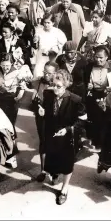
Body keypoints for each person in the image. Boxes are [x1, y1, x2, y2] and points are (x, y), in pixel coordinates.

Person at [37, 70, 87, 205]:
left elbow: (82, 121)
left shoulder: (75, 100)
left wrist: (68, 130)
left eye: (58, 86)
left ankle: (64, 189)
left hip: (67, 136)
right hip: (52, 133)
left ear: (66, 86)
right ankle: (54, 174)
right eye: (53, 84)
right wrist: (42, 112)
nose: (55, 89)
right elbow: (47, 112)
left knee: (67, 163)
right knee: (52, 159)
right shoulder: (48, 94)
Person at [84, 45, 111, 152]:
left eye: (101, 58)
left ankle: (104, 143)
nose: (98, 60)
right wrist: (88, 86)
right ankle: (95, 140)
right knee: (94, 119)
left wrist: (109, 90)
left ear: (107, 58)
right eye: (96, 57)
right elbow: (85, 80)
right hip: (93, 96)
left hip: (107, 97)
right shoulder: (89, 66)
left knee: (105, 120)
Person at [33, 13, 67, 79]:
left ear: (53, 23)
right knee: (38, 72)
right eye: (45, 22)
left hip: (53, 57)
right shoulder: (39, 31)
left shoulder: (58, 32)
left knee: (52, 73)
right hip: (42, 56)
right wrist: (35, 40)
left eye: (48, 23)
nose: (46, 24)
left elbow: (63, 43)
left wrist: (55, 49)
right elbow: (35, 43)